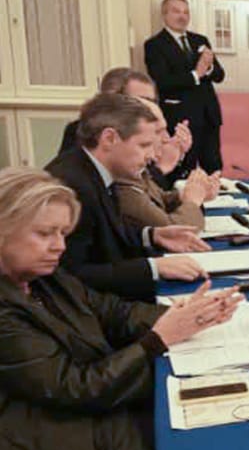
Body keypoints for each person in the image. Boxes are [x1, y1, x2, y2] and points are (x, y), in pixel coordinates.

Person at [0, 169, 240, 450]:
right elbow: (79, 389)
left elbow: (110, 311)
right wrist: (159, 339)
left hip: (75, 414)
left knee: (204, 406)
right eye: (44, 234)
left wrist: (184, 316)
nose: (59, 246)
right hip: (46, 444)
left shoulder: (42, 277)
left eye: (62, 233)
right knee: (199, 438)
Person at [44, 93, 209, 301]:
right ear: (109, 139)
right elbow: (69, 275)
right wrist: (152, 267)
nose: (151, 156)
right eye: (144, 145)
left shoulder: (95, 170)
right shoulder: (75, 187)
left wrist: (152, 236)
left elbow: (105, 236)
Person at [59, 70, 193, 188]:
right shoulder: (84, 129)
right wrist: (161, 168)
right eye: (142, 100)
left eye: (153, 101)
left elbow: (166, 191)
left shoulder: (150, 129)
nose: (149, 108)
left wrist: (177, 156)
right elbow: (126, 193)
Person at [144, 0, 225, 173]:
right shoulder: (154, 45)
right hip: (180, 116)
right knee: (183, 167)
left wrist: (209, 68)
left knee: (213, 165)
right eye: (176, 11)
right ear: (164, 15)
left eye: (186, 12)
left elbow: (219, 75)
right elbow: (162, 81)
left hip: (208, 113)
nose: (182, 16)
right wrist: (196, 74)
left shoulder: (200, 40)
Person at [116, 99, 217, 233]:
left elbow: (158, 199)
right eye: (158, 131)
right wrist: (192, 201)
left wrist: (189, 193)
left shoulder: (132, 169)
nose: (166, 138)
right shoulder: (122, 180)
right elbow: (174, 231)